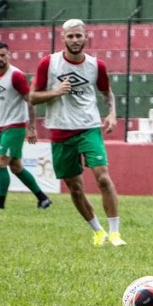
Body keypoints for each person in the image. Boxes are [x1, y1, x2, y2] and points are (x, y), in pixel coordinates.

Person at [29, 19, 126, 247]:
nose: (75, 40)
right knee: (75, 187)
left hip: (88, 127)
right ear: (63, 38)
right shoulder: (49, 64)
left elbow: (107, 93)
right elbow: (32, 97)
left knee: (103, 177)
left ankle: (115, 233)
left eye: (78, 36)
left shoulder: (96, 66)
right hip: (60, 132)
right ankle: (98, 231)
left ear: (85, 37)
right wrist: (56, 91)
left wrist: (112, 114)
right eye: (70, 36)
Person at [0, 41, 52, 210]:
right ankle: (43, 198)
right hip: (2, 127)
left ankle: (0, 204)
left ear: (9, 55)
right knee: (15, 167)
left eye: (2, 55)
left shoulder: (16, 76)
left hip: (15, 127)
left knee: (1, 163)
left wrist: (31, 128)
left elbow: (30, 101)